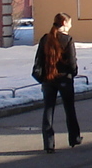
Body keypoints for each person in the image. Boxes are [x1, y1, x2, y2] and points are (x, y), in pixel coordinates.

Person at [33, 12, 80, 153]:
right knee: (69, 109)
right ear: (65, 23)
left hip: (48, 79)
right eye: (70, 23)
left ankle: (48, 143)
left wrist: (42, 78)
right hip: (64, 79)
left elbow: (39, 60)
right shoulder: (67, 40)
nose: (71, 25)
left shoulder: (45, 39)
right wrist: (73, 72)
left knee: (48, 110)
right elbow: (72, 62)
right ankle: (74, 138)